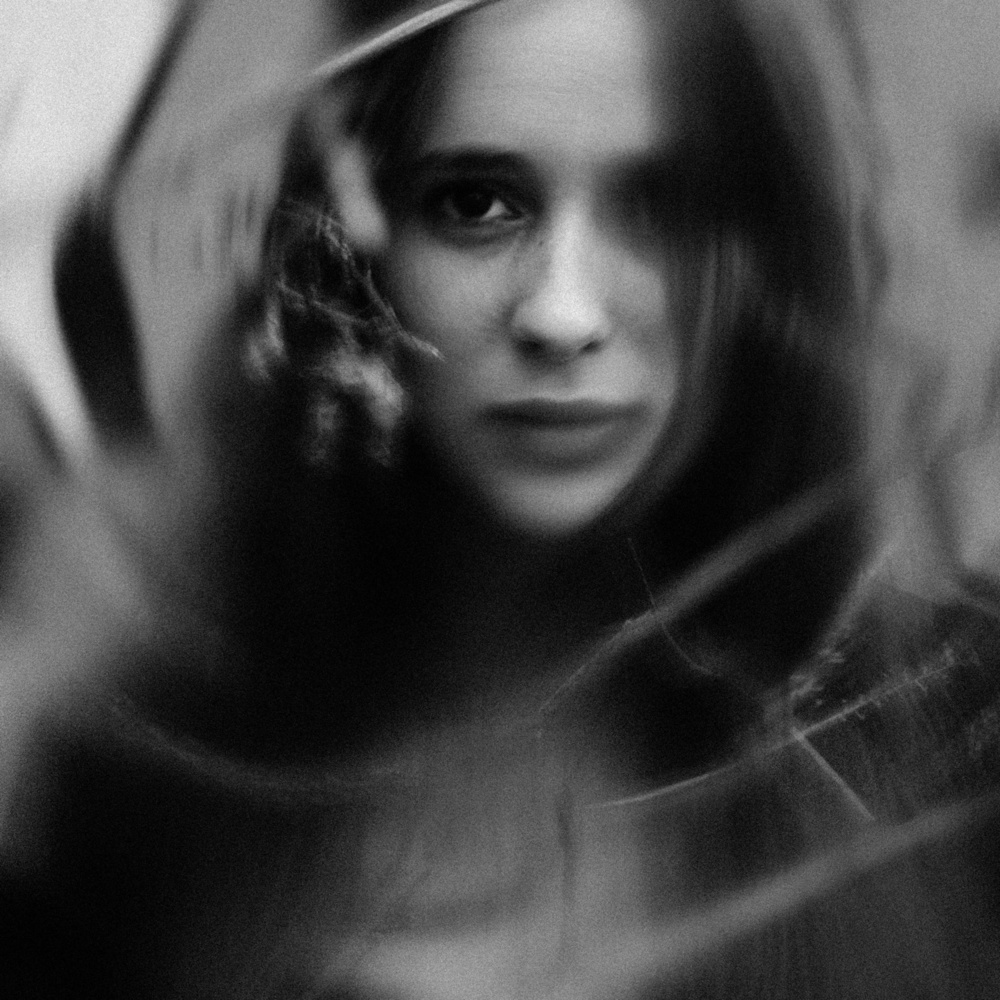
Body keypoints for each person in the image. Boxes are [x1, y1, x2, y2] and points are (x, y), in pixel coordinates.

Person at [3, 0, 1000, 997]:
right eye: (476, 204)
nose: (562, 313)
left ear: (768, 251)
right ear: (353, 243)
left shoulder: (952, 743)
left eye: (658, 205)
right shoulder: (151, 760)